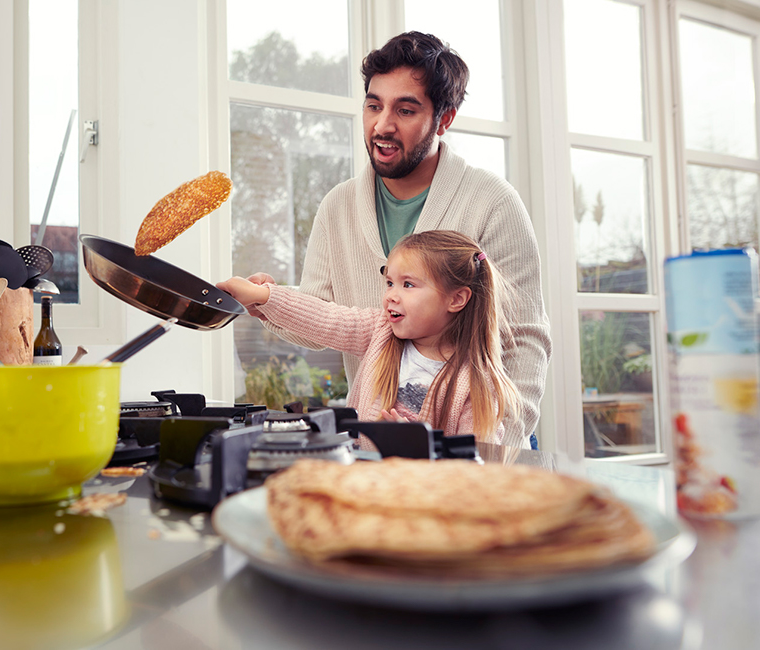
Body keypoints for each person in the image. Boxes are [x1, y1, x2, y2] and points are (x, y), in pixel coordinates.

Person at [247, 31, 550, 438]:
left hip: (481, 442)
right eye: (374, 106)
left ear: (444, 119)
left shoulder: (493, 202)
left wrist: (491, 449)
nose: (382, 125)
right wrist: (268, 302)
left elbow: (525, 340)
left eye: (405, 110)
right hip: (374, 448)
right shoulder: (337, 206)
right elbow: (321, 318)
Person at [220, 231, 522, 446]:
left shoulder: (478, 386)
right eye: (389, 282)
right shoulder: (379, 332)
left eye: (408, 284)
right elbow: (326, 319)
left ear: (457, 299)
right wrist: (263, 296)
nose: (391, 295)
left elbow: (477, 469)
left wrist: (418, 446)